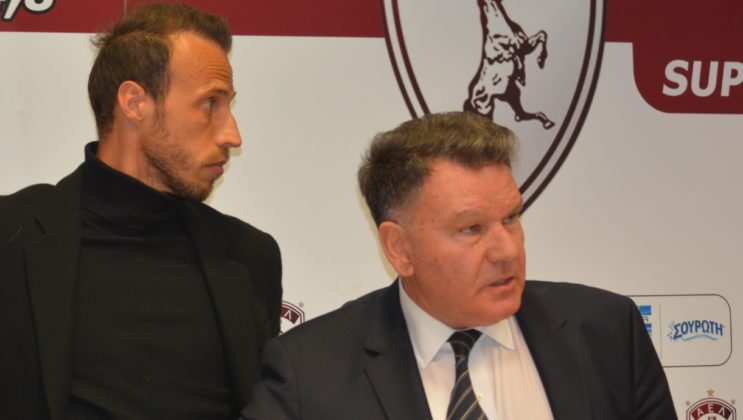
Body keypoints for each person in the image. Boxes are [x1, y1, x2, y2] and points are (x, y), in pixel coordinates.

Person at [240, 112, 677, 420]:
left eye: (511, 218)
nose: (506, 250)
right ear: (399, 248)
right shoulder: (310, 373)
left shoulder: (607, 333)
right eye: (471, 229)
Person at [0, 3, 281, 419]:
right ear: (134, 102)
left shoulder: (251, 255)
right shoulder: (11, 237)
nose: (232, 135)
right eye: (210, 104)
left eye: (228, 106)